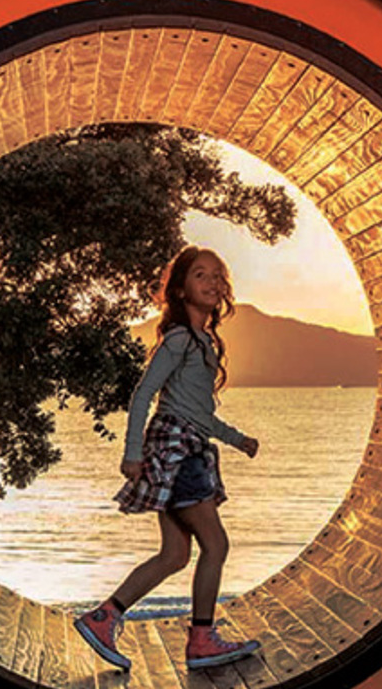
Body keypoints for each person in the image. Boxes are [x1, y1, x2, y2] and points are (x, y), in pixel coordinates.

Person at [73, 245, 262, 671]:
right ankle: (201, 641)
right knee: (216, 544)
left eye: (218, 275)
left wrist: (237, 439)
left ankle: (103, 619)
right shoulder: (179, 340)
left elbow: (199, 412)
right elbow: (144, 395)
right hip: (177, 453)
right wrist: (131, 452)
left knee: (176, 555)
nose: (213, 282)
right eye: (201, 275)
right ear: (179, 290)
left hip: (186, 445)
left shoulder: (202, 341)